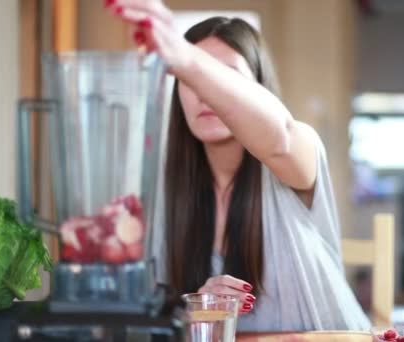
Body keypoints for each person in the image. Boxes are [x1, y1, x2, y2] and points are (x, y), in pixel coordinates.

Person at [106, 0, 371, 331]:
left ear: (258, 91)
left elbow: (281, 136)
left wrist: (188, 60)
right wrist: (196, 313)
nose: (207, 95)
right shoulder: (157, 185)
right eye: (191, 81)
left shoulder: (299, 147)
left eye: (226, 78)